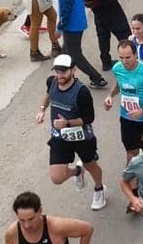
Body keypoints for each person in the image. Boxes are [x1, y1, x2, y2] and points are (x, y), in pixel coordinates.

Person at [36, 54, 109, 211]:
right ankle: (78, 171)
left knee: (92, 165)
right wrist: (42, 109)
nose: (59, 76)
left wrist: (67, 123)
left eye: (63, 72)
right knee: (56, 178)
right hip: (59, 136)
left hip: (82, 136)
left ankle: (99, 189)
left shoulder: (81, 92)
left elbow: (89, 118)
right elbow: (48, 94)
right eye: (57, 71)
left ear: (73, 70)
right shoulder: (52, 81)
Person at [45, 0, 108, 89]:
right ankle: (61, 71)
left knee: (75, 54)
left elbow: (66, 8)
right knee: (66, 51)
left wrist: (59, 27)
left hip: (71, 25)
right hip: (78, 20)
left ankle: (96, 78)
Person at [102, 39, 143, 161]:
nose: (124, 61)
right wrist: (110, 96)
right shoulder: (117, 68)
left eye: (128, 57)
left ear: (136, 55)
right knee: (131, 155)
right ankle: (135, 178)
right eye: (121, 57)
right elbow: (119, 83)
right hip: (128, 117)